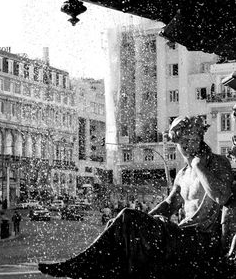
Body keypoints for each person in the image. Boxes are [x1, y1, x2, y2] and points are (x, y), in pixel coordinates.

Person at [39, 116, 234, 279]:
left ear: (200, 138)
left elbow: (221, 197)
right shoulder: (182, 174)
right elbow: (169, 204)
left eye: (192, 141)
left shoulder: (217, 163)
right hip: (182, 233)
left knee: (127, 217)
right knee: (120, 226)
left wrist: (199, 166)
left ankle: (81, 266)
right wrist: (145, 222)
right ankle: (100, 270)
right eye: (183, 144)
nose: (189, 148)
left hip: (202, 240)